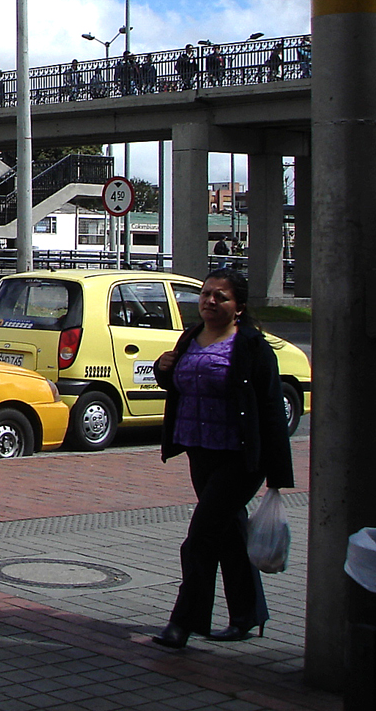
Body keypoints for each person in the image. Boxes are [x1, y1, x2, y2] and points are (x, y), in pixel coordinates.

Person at [150, 268, 294, 650]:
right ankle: (247, 615)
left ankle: (184, 623)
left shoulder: (252, 347)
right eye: (206, 294)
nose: (210, 301)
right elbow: (180, 382)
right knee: (229, 535)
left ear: (239, 307)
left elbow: (269, 409)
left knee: (199, 539)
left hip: (239, 456)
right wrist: (162, 370)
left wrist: (278, 474)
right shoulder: (191, 337)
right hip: (200, 449)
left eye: (221, 297)